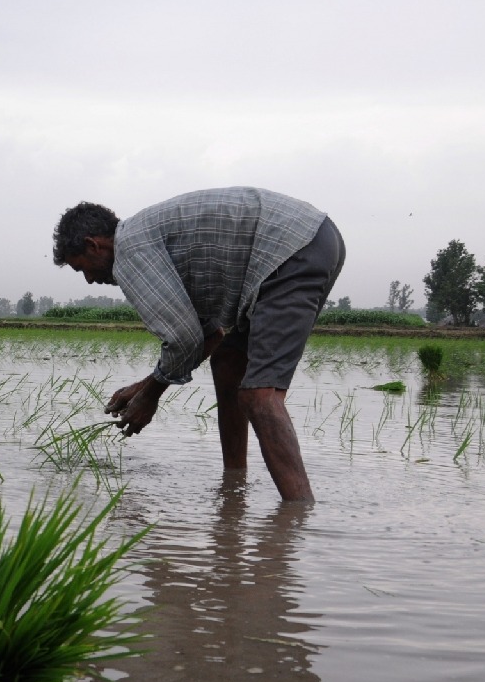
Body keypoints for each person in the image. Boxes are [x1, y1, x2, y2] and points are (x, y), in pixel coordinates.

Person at [52, 187, 345, 501]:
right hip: (311, 240)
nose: (89, 280)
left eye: (81, 267)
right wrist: (144, 387)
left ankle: (298, 516)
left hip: (291, 249)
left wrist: (149, 395)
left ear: (93, 245)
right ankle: (234, 486)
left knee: (261, 395)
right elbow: (208, 337)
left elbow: (182, 339)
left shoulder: (130, 253)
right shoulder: (147, 241)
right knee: (228, 361)